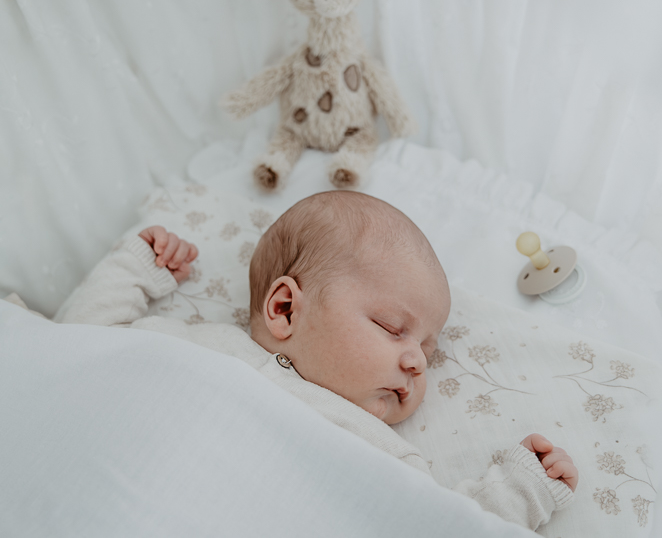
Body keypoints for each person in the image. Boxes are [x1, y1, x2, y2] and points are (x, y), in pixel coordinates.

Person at [54, 191, 577, 529]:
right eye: (392, 328)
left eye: (428, 350)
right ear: (285, 308)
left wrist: (518, 493)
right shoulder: (193, 346)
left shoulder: (378, 450)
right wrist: (136, 267)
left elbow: (434, 525)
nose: (418, 361)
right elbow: (78, 348)